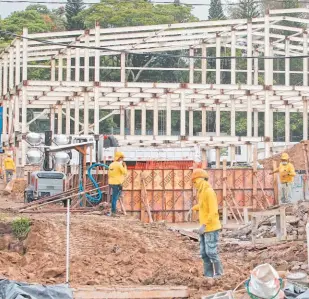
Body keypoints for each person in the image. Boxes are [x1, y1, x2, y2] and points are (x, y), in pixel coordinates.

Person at [187, 168, 223, 278]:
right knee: (204, 253)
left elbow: (213, 211)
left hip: (211, 227)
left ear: (202, 180)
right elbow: (203, 206)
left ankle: (218, 274)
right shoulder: (201, 192)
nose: (194, 184)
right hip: (204, 228)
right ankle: (208, 275)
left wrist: (204, 225)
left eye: (195, 182)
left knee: (211, 252)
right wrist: (193, 208)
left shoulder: (209, 192)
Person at [108, 151, 127, 216]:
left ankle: (113, 210)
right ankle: (113, 212)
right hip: (117, 183)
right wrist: (125, 166)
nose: (122, 159)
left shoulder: (111, 164)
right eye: (122, 158)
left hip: (111, 183)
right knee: (115, 198)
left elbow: (109, 174)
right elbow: (124, 172)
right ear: (119, 158)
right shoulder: (119, 164)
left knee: (114, 197)